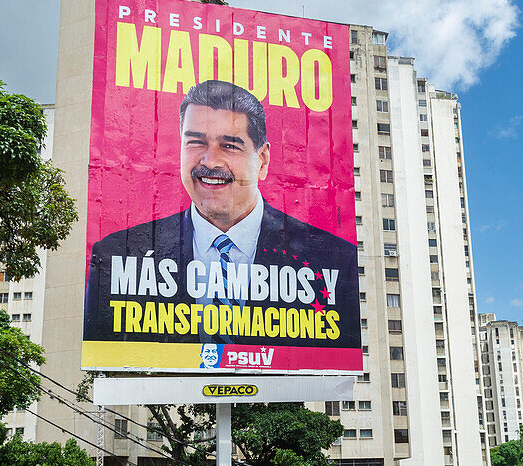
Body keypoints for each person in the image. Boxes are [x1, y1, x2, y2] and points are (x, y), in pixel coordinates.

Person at [84, 79, 359, 349]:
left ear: (262, 160)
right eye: (195, 142)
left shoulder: (331, 259)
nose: (210, 161)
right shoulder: (118, 256)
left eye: (229, 145)